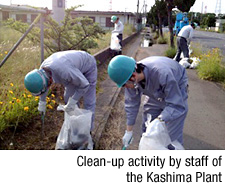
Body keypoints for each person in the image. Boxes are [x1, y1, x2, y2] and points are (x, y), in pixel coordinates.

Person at [108, 55, 189, 149]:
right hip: (155, 92)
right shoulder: (130, 79)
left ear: (133, 76)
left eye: (124, 85)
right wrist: (129, 131)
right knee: (148, 128)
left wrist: (161, 120)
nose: (125, 88)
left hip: (176, 88)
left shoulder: (162, 73)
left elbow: (176, 105)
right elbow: (131, 105)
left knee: (171, 137)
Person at [24, 50, 97, 149]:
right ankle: (76, 131)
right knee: (68, 98)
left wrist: (73, 101)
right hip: (72, 68)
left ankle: (88, 133)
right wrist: (42, 102)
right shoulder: (42, 71)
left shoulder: (64, 71)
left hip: (88, 65)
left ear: (49, 81)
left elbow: (84, 85)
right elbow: (44, 88)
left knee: (89, 101)